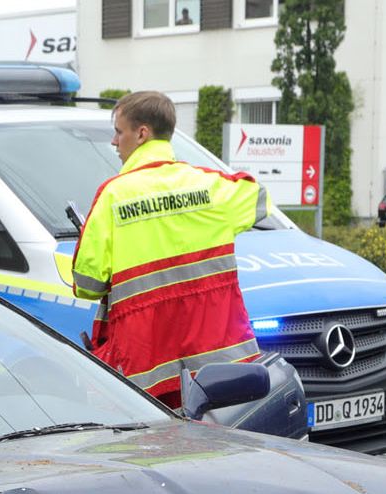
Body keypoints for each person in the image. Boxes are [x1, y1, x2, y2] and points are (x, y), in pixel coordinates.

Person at [71, 90, 268, 407]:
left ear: (141, 133)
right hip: (216, 373)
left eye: (119, 132)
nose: (113, 141)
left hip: (146, 375)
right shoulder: (208, 185)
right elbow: (259, 200)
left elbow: (87, 285)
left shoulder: (113, 196)